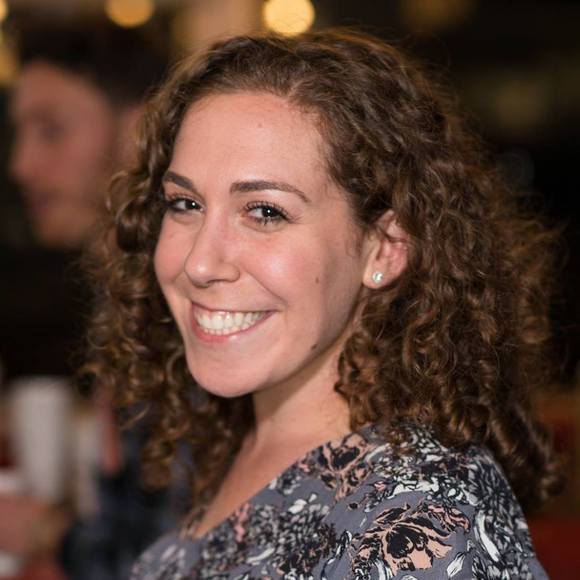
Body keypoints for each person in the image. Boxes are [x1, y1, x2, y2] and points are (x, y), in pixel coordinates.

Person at [84, 30, 562, 578]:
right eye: (185, 203)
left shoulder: (417, 527)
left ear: (385, 247)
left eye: (265, 212)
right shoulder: (226, 442)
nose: (199, 263)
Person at [1, 16, 177, 580]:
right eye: (20, 134)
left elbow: (175, 555)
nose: (21, 166)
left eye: (51, 130)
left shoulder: (181, 300)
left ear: (138, 131)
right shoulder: (123, 286)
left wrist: (46, 530)